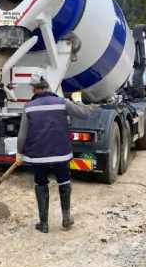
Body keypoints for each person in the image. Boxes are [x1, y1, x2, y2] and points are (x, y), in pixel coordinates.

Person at [15, 70, 90, 233]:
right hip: (61, 154)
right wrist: (78, 101)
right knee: (64, 182)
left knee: (41, 184)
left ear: (33, 89)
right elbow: (85, 114)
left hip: (38, 156)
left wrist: (19, 153)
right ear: (48, 86)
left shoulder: (28, 108)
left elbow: (22, 136)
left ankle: (43, 224)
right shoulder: (61, 102)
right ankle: (66, 219)